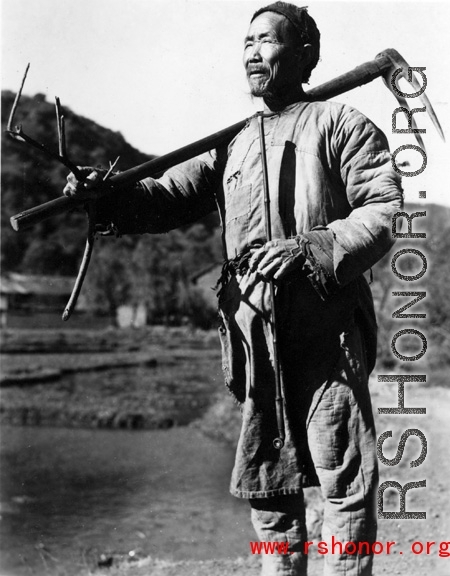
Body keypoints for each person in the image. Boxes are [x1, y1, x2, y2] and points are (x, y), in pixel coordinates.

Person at [64, 3, 403, 575]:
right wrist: (106, 198)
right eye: (245, 42)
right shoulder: (231, 145)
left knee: (343, 482)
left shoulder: (342, 125)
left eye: (267, 40)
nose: (251, 52)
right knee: (269, 491)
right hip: (253, 341)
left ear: (304, 54)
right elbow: (164, 197)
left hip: (327, 335)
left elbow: (381, 211)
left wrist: (309, 247)